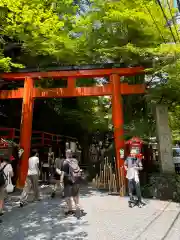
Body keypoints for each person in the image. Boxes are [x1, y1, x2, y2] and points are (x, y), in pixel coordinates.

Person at [61, 149, 82, 216]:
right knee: (75, 195)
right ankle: (77, 207)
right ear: (72, 154)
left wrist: (61, 181)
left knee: (68, 196)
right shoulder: (75, 161)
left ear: (66, 154)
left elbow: (63, 173)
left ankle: (70, 210)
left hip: (68, 180)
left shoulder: (65, 162)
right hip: (77, 179)